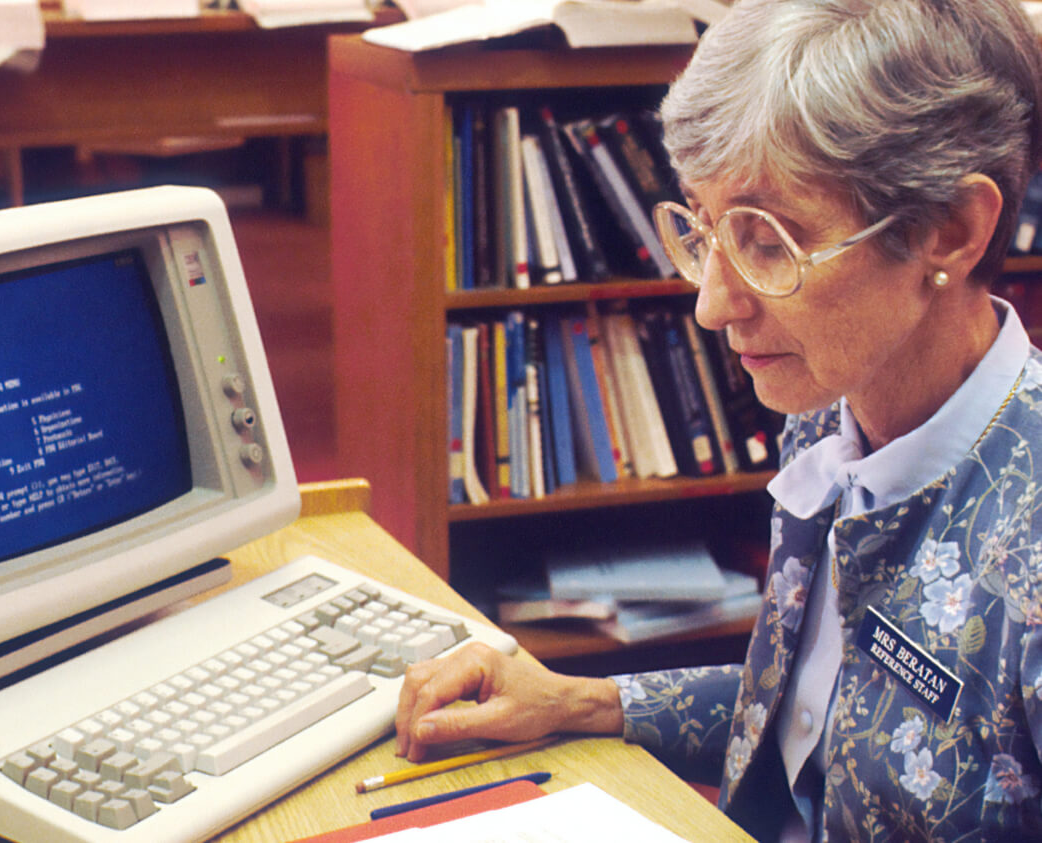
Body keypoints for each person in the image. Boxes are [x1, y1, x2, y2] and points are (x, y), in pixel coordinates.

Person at [395, 0, 1042, 838]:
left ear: (950, 232)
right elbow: (823, 710)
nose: (710, 305)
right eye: (702, 229)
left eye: (769, 241)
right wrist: (581, 699)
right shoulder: (828, 411)